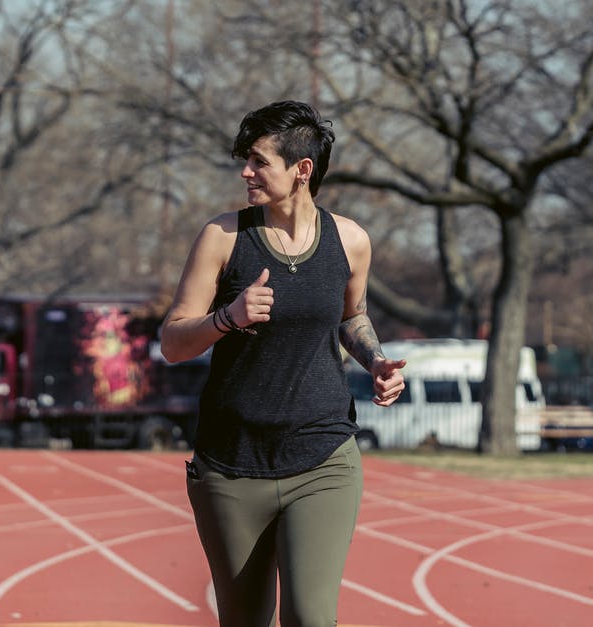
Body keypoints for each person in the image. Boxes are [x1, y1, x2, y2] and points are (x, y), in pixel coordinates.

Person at [159, 100, 407, 626]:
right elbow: (173, 342)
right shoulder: (223, 238)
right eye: (244, 160)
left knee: (311, 618)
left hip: (322, 457)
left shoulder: (351, 241)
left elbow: (350, 318)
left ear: (302, 171)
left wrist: (377, 360)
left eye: (258, 161)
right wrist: (227, 317)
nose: (245, 172)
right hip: (231, 465)